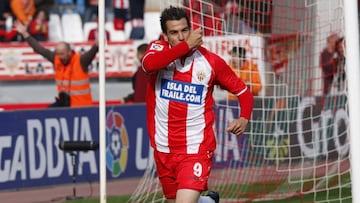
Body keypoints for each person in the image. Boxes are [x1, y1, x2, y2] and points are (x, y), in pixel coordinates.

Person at [142, 6, 253, 203]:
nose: (182, 37)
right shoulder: (158, 50)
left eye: (185, 30)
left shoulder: (210, 62)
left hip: (196, 148)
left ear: (191, 29)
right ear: (165, 36)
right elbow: (149, 65)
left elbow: (243, 91)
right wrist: (183, 48)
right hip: (163, 147)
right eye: (174, 33)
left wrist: (244, 117)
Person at [15, 20, 98, 107]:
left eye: (62, 54)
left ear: (69, 52)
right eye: (58, 53)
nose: (60, 57)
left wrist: (97, 45)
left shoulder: (81, 61)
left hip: (81, 107)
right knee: (45, 114)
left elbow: (92, 52)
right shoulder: (56, 59)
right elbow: (39, 49)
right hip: (64, 104)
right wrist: (25, 34)